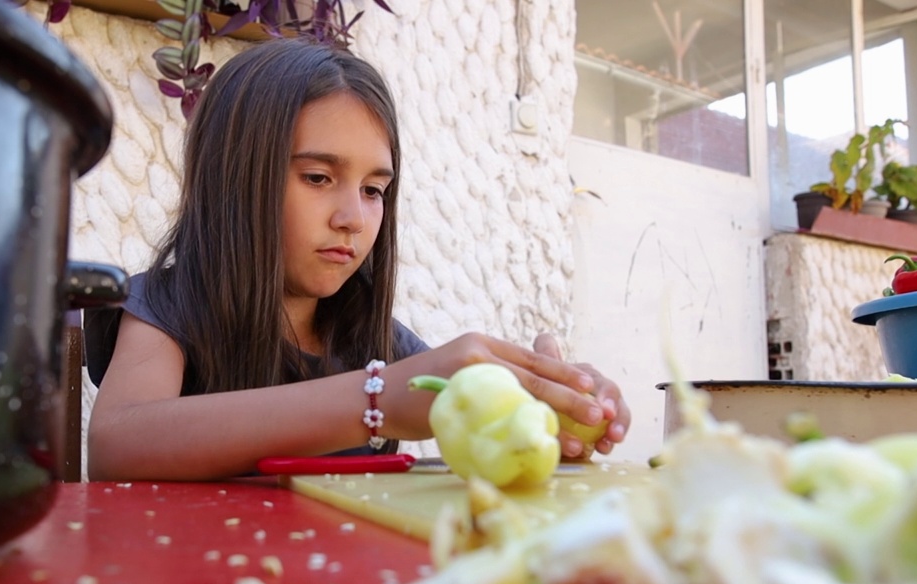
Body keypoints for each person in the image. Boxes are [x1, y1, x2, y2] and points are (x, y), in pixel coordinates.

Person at [84, 38, 630, 482]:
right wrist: (376, 399)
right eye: (319, 178)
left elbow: (466, 411)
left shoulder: (375, 338)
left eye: (374, 190)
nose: (354, 217)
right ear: (233, 177)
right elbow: (118, 444)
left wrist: (551, 411)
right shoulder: (164, 306)